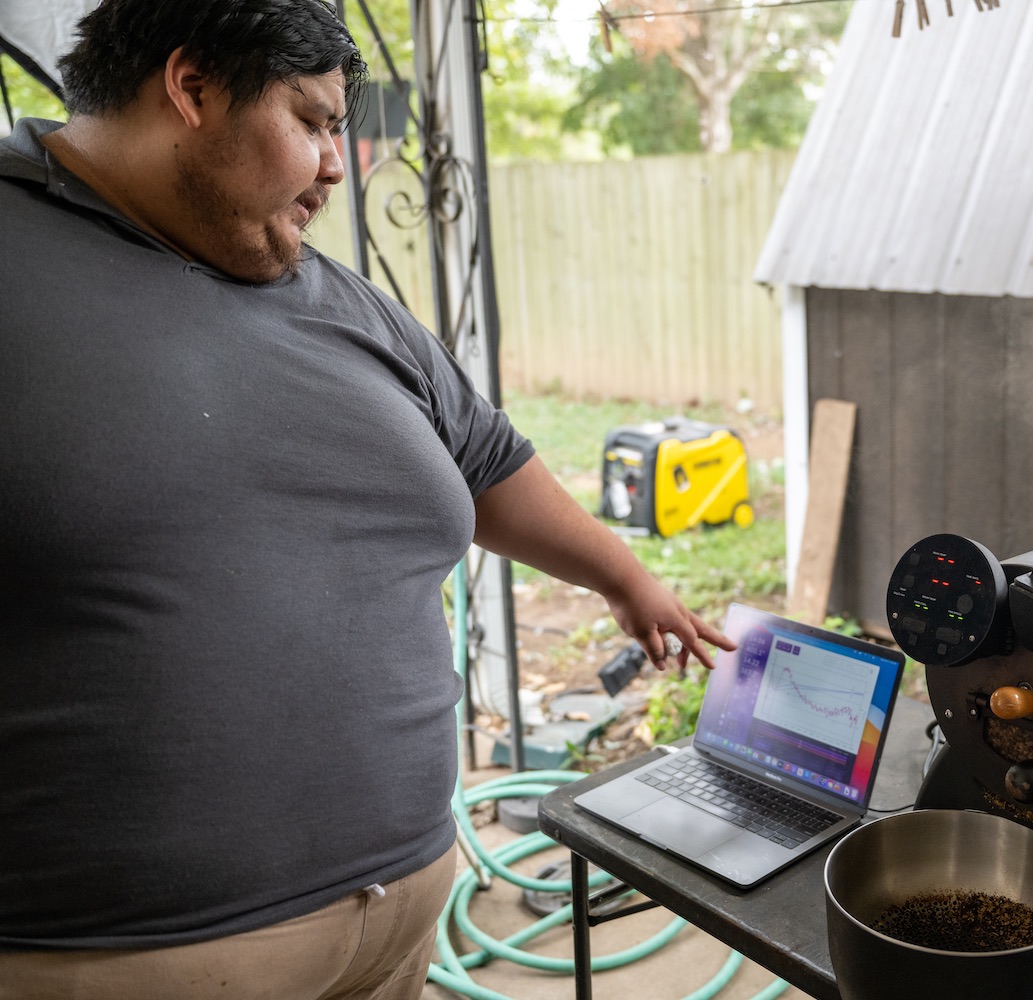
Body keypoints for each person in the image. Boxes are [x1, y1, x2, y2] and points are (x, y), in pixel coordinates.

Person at [0, 1, 731, 996]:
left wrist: (625, 578)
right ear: (192, 88)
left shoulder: (334, 294)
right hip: (127, 954)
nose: (340, 165)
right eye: (311, 121)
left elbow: (486, 461)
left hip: (401, 916)